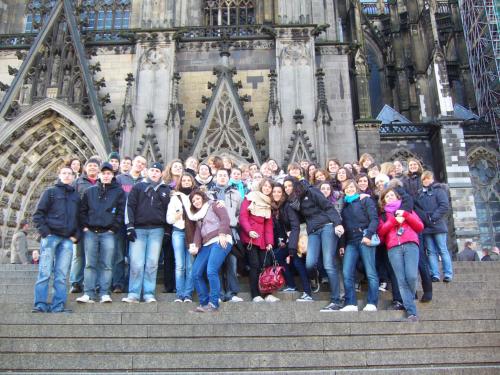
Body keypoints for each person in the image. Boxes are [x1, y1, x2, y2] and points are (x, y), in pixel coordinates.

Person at [285, 176, 344, 312]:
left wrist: (337, 223)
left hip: (327, 226)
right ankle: (315, 278)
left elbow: (328, 206)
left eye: (290, 185)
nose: (288, 188)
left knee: (329, 263)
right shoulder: (294, 201)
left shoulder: (311, 191)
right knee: (310, 263)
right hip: (313, 231)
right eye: (286, 186)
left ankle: (337, 300)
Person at [32, 166, 80, 313]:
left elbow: (80, 218)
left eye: (69, 174)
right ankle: (40, 304)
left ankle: (58, 306)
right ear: (59, 175)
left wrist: (75, 237)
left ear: (73, 177)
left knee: (61, 275)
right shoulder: (50, 192)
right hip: (51, 237)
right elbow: (38, 215)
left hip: (67, 240)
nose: (66, 176)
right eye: (64, 173)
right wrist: (46, 233)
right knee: (44, 272)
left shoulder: (76, 196)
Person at [76, 162, 125, 304]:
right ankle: (88, 293)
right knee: (90, 264)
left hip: (108, 233)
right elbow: (82, 210)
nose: (106, 176)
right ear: (99, 174)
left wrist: (114, 228)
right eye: (103, 173)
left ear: (112, 175)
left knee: (107, 264)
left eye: (109, 173)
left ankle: (104, 292)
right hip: (91, 232)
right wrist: (85, 226)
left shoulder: (118, 192)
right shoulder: (89, 191)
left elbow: (121, 212)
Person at [122, 162, 171, 303]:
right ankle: (133, 293)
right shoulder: (138, 187)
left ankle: (149, 293)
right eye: (152, 170)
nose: (154, 173)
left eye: (157, 171)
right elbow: (130, 206)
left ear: (161, 173)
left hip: (157, 230)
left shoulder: (165, 190)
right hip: (138, 229)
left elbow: (169, 211)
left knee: (152, 263)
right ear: (148, 172)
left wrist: (167, 231)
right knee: (136, 263)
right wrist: (129, 226)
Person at [377, 187, 424, 322]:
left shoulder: (408, 211)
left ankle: (408, 299)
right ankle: (411, 312)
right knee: (401, 280)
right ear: (383, 201)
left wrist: (406, 215)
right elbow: (381, 233)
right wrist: (392, 222)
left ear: (398, 198)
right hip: (393, 248)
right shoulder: (384, 216)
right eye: (387, 196)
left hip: (410, 244)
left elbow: (420, 227)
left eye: (392, 195)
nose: (390, 197)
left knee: (412, 276)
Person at [189, 190, 233, 312]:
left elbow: (225, 218)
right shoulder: (198, 215)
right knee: (196, 273)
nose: (196, 202)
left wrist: (223, 233)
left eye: (197, 198)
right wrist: (196, 246)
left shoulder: (214, 204)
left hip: (220, 239)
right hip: (206, 244)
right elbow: (198, 232)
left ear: (203, 198)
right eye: (193, 201)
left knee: (211, 270)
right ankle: (204, 304)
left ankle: (214, 303)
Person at [340, 179, 379, 312]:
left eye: (351, 187)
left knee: (371, 272)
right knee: (346, 272)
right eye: (346, 188)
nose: (349, 189)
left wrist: (368, 236)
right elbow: (343, 227)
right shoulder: (344, 205)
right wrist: (342, 245)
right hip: (351, 242)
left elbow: (374, 219)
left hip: (364, 238)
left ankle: (372, 302)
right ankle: (351, 303)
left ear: (356, 188)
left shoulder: (365, 200)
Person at [207, 168, 243, 302]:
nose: (222, 177)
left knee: (231, 263)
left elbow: (240, 212)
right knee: (216, 264)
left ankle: (232, 293)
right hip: (215, 233)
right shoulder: (209, 194)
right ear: (216, 177)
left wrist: (235, 221)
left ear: (228, 178)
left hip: (231, 232)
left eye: (225, 175)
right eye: (220, 175)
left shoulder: (236, 194)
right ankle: (219, 294)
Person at [113, 155, 147, 294]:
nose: (140, 165)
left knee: (134, 257)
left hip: (137, 223)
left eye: (143, 163)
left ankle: (129, 283)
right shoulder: (120, 179)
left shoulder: (145, 182)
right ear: (132, 163)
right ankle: (118, 284)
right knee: (119, 255)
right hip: (121, 222)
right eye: (138, 161)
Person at [239, 178, 276, 302]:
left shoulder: (268, 202)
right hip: (250, 236)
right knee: (254, 265)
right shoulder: (250, 197)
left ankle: (267, 293)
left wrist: (270, 242)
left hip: (263, 238)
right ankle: (255, 295)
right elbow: (243, 216)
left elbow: (268, 225)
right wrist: (249, 231)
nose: (267, 188)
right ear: (261, 186)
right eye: (265, 186)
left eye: (269, 187)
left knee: (266, 264)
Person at [414, 171, 453, 282]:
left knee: (442, 249)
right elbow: (419, 209)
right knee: (430, 251)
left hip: (438, 224)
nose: (426, 181)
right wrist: (425, 220)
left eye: (428, 178)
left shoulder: (439, 191)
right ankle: (435, 274)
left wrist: (433, 218)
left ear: (432, 179)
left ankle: (448, 274)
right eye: (424, 179)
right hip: (426, 226)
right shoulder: (420, 193)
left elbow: (444, 206)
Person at [70, 157, 101, 294]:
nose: (93, 168)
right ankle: (76, 282)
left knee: (95, 255)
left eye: (95, 166)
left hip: (97, 224)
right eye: (90, 165)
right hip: (80, 223)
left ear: (99, 169)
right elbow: (71, 201)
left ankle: (92, 283)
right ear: (85, 168)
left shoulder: (103, 182)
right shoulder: (77, 182)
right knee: (79, 255)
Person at [167, 173, 196, 302]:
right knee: (179, 265)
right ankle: (180, 294)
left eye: (188, 180)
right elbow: (169, 219)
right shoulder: (175, 198)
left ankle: (188, 294)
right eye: (183, 180)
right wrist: (177, 216)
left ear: (192, 182)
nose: (185, 182)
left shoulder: (197, 196)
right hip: (178, 232)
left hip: (193, 233)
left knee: (190, 265)